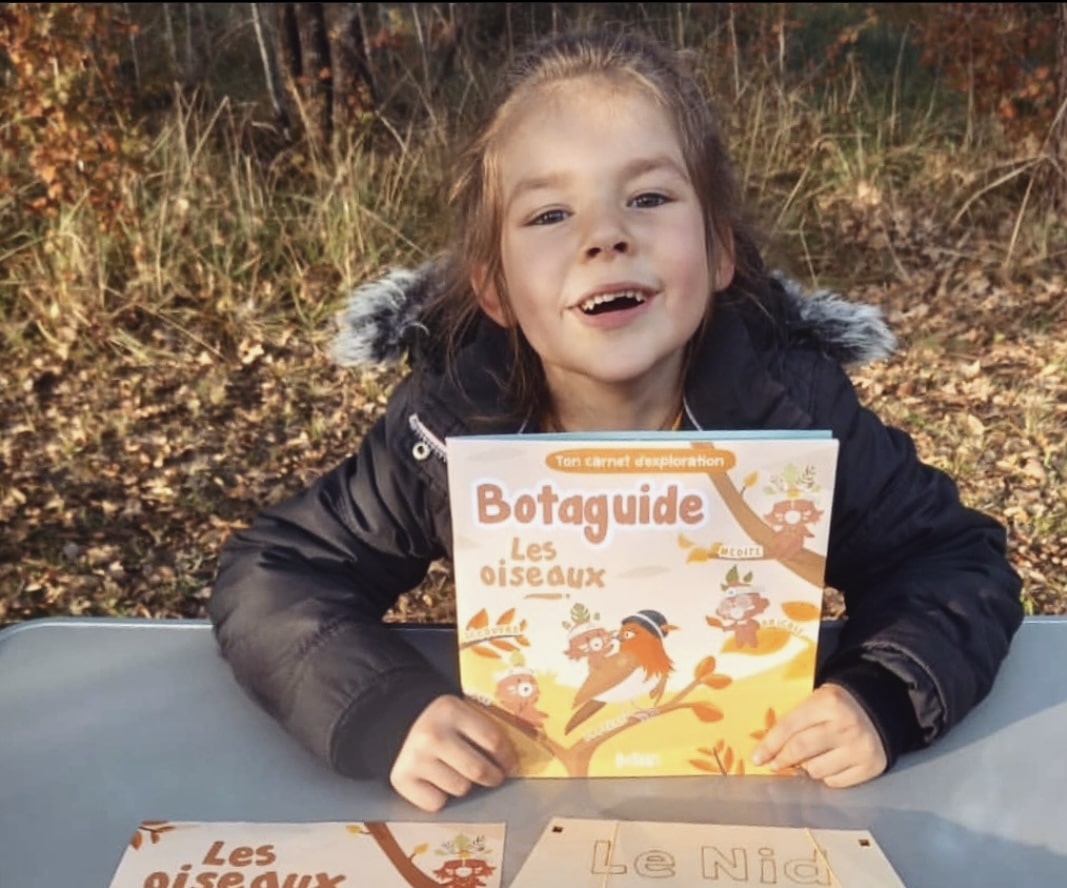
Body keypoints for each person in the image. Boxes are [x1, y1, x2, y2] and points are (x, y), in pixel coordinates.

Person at [209, 29, 1023, 812]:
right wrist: (386, 711)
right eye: (549, 215)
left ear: (720, 250)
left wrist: (883, 693)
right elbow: (273, 577)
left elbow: (951, 561)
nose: (606, 236)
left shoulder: (794, 414)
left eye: (648, 197)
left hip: (763, 815)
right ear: (494, 288)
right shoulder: (452, 427)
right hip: (522, 817)